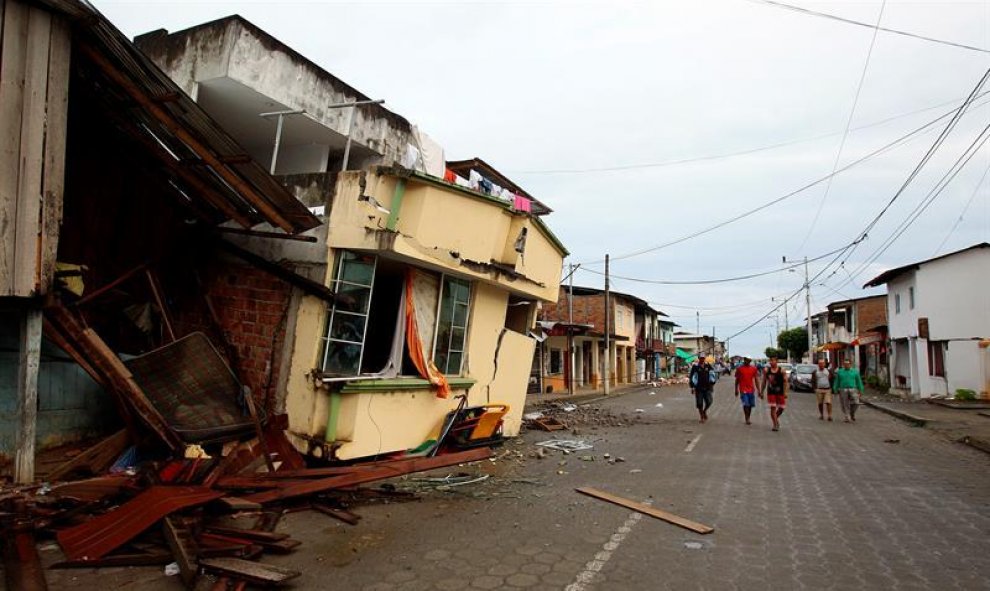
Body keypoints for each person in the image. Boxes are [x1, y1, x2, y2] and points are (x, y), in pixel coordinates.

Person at [833, 358, 865, 422]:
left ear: (850, 364)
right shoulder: (840, 372)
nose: (846, 365)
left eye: (847, 364)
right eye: (845, 364)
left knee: (856, 402)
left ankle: (852, 413)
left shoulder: (855, 372)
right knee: (845, 403)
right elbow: (837, 381)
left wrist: (861, 390)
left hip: (853, 389)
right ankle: (847, 416)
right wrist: (835, 389)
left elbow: (859, 381)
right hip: (843, 389)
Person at [761, 356, 787, 431]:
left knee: (781, 408)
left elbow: (786, 382)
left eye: (773, 360)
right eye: (770, 360)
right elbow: (764, 381)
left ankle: (775, 418)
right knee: (773, 408)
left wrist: (785, 392)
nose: (771, 362)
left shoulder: (782, 370)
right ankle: (775, 424)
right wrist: (762, 392)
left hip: (780, 392)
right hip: (771, 392)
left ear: (776, 361)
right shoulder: (766, 370)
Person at [689, 353, 716, 423]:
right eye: (701, 358)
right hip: (698, 388)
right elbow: (692, 377)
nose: (702, 359)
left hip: (707, 387)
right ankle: (701, 417)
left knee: (709, 402)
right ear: (699, 358)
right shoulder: (695, 367)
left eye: (703, 358)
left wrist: (712, 384)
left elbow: (712, 375)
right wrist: (692, 387)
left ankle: (704, 411)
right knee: (699, 403)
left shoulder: (708, 366)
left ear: (705, 358)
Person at [734, 356, 758, 425]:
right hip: (743, 389)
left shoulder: (753, 369)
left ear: (750, 361)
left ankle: (748, 417)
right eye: (746, 360)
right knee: (746, 404)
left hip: (751, 389)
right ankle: (746, 418)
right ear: (744, 360)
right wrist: (736, 389)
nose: (747, 361)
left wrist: (759, 390)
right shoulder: (739, 369)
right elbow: (737, 380)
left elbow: (756, 380)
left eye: (749, 360)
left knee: (750, 405)